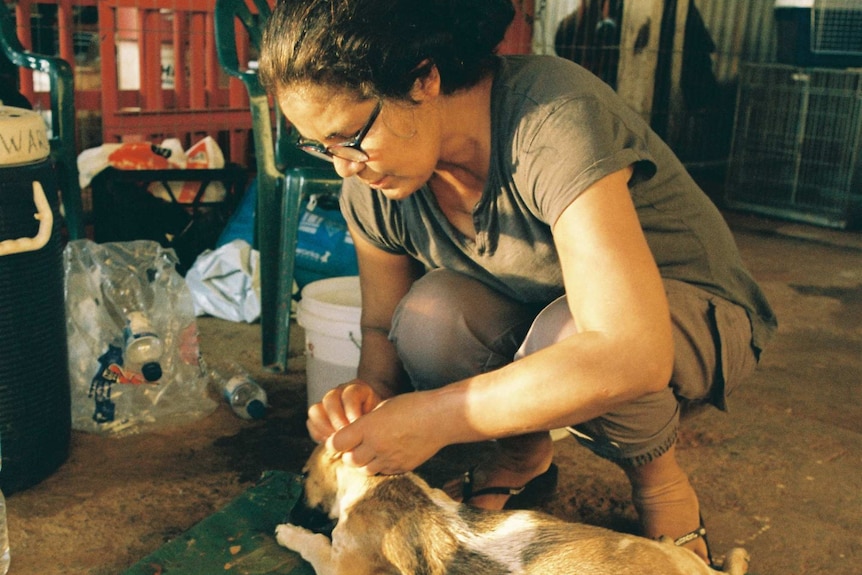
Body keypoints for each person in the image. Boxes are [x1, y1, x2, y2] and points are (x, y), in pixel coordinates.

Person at [259, 0, 776, 566]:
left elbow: (631, 349)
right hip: (548, 318)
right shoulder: (372, 187)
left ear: (422, 78)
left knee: (571, 332)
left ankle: (661, 483)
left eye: (349, 136)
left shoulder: (551, 117)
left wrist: (437, 416)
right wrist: (369, 400)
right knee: (431, 314)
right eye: (319, 146)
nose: (342, 166)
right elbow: (382, 326)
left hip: (693, 322)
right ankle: (522, 456)